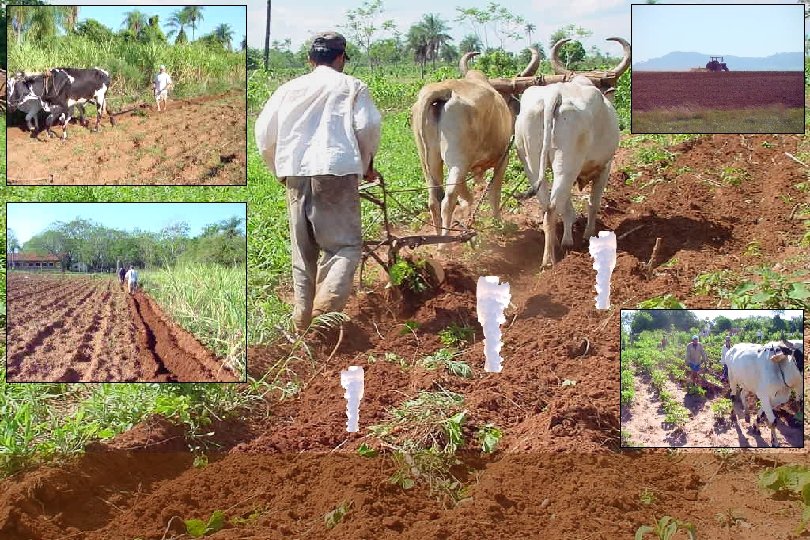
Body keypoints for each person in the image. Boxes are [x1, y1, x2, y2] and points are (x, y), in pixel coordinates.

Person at [255, 31, 381, 332]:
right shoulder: (352, 86)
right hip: (336, 172)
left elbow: (263, 134)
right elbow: (368, 126)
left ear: (310, 59)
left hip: (295, 174)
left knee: (303, 253)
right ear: (340, 58)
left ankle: (301, 320)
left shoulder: (287, 89)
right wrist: (365, 165)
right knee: (344, 247)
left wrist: (280, 170)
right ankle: (322, 321)